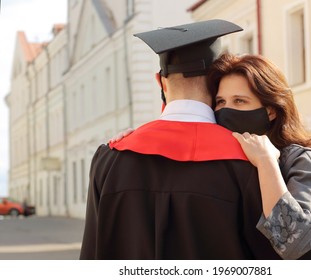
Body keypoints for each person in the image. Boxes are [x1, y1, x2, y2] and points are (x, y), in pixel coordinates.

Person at [80, 19, 279, 260]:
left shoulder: (109, 158)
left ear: (160, 81)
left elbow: (92, 252)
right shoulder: (252, 160)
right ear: (218, 84)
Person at [207, 53, 311, 259]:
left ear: (271, 110)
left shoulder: (303, 161)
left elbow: (295, 243)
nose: (226, 111)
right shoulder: (220, 162)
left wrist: (266, 161)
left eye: (239, 101)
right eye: (221, 101)